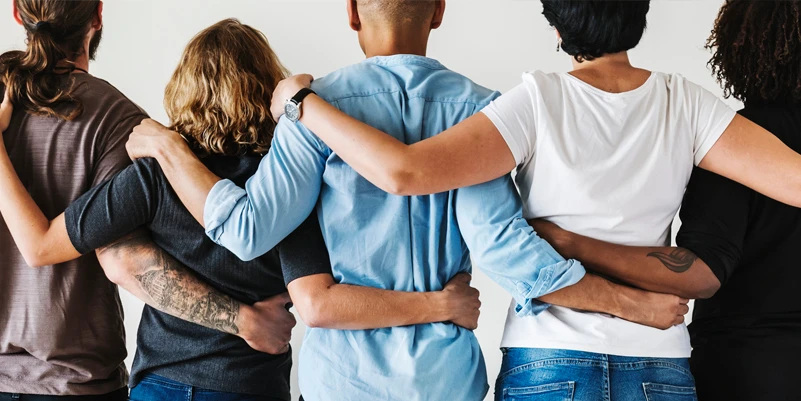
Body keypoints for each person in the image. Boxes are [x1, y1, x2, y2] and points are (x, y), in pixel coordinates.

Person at [233, 0, 801, 399]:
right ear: (641, 17)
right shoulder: (688, 103)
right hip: (659, 358)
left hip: (545, 359)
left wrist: (303, 104)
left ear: (555, 26)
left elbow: (404, 172)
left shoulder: (534, 103)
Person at [124, 1, 692, 400]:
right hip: (446, 380)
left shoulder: (311, 113)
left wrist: (171, 150)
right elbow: (500, 247)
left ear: (350, 12)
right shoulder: (480, 111)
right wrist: (622, 300)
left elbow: (247, 230)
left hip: (344, 383)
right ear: (440, 11)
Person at [0, 18, 482, 401]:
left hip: (159, 384)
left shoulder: (151, 176)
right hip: (248, 385)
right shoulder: (287, 183)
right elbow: (318, 299)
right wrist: (439, 303)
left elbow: (46, 244)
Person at [0, 1, 133, 399]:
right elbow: (124, 261)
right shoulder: (119, 120)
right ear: (97, 16)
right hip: (76, 384)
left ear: (16, 14)